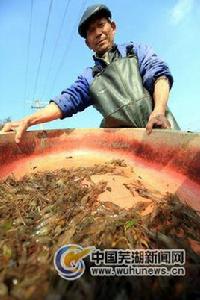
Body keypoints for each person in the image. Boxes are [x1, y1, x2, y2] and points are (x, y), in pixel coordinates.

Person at [1, 4, 180, 143]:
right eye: (91, 31)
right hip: (126, 147)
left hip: (161, 131)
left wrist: (158, 111)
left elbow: (159, 75)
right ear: (87, 43)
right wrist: (28, 120)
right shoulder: (89, 78)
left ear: (113, 26)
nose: (98, 33)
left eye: (101, 25)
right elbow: (65, 102)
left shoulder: (136, 51)